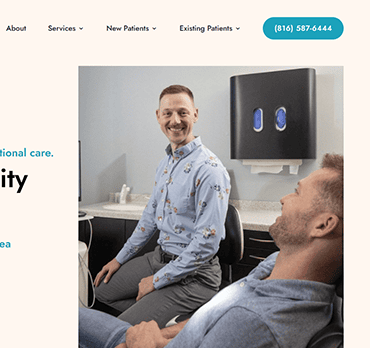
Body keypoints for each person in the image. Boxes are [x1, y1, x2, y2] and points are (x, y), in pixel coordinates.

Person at [80, 153, 344, 348]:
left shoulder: (255, 322)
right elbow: (210, 320)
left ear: (323, 224)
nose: (283, 198)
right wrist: (162, 335)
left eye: (297, 192)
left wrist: (144, 343)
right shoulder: (273, 267)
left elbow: (206, 245)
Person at [94, 85, 231, 327]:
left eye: (183, 113)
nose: (175, 120)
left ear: (195, 114)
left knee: (123, 327)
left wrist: (156, 281)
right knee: (101, 291)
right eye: (167, 113)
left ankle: (165, 325)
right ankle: (170, 325)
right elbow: (148, 219)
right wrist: (119, 259)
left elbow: (207, 244)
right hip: (160, 257)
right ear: (158, 116)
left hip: (195, 276)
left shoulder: (209, 169)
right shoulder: (165, 164)